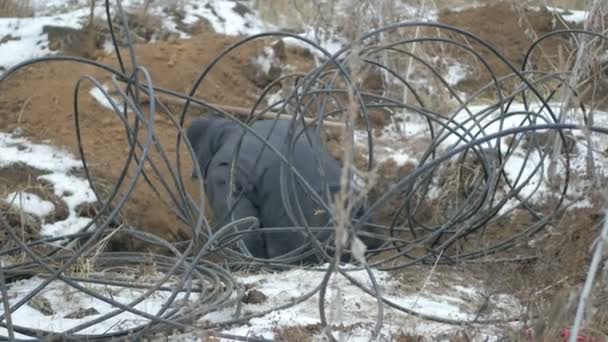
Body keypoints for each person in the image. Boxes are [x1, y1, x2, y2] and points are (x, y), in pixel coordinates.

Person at [186, 116, 382, 264]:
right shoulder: (284, 125)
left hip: (306, 255)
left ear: (203, 152)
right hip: (358, 232)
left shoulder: (224, 164)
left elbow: (239, 232)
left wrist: (250, 274)